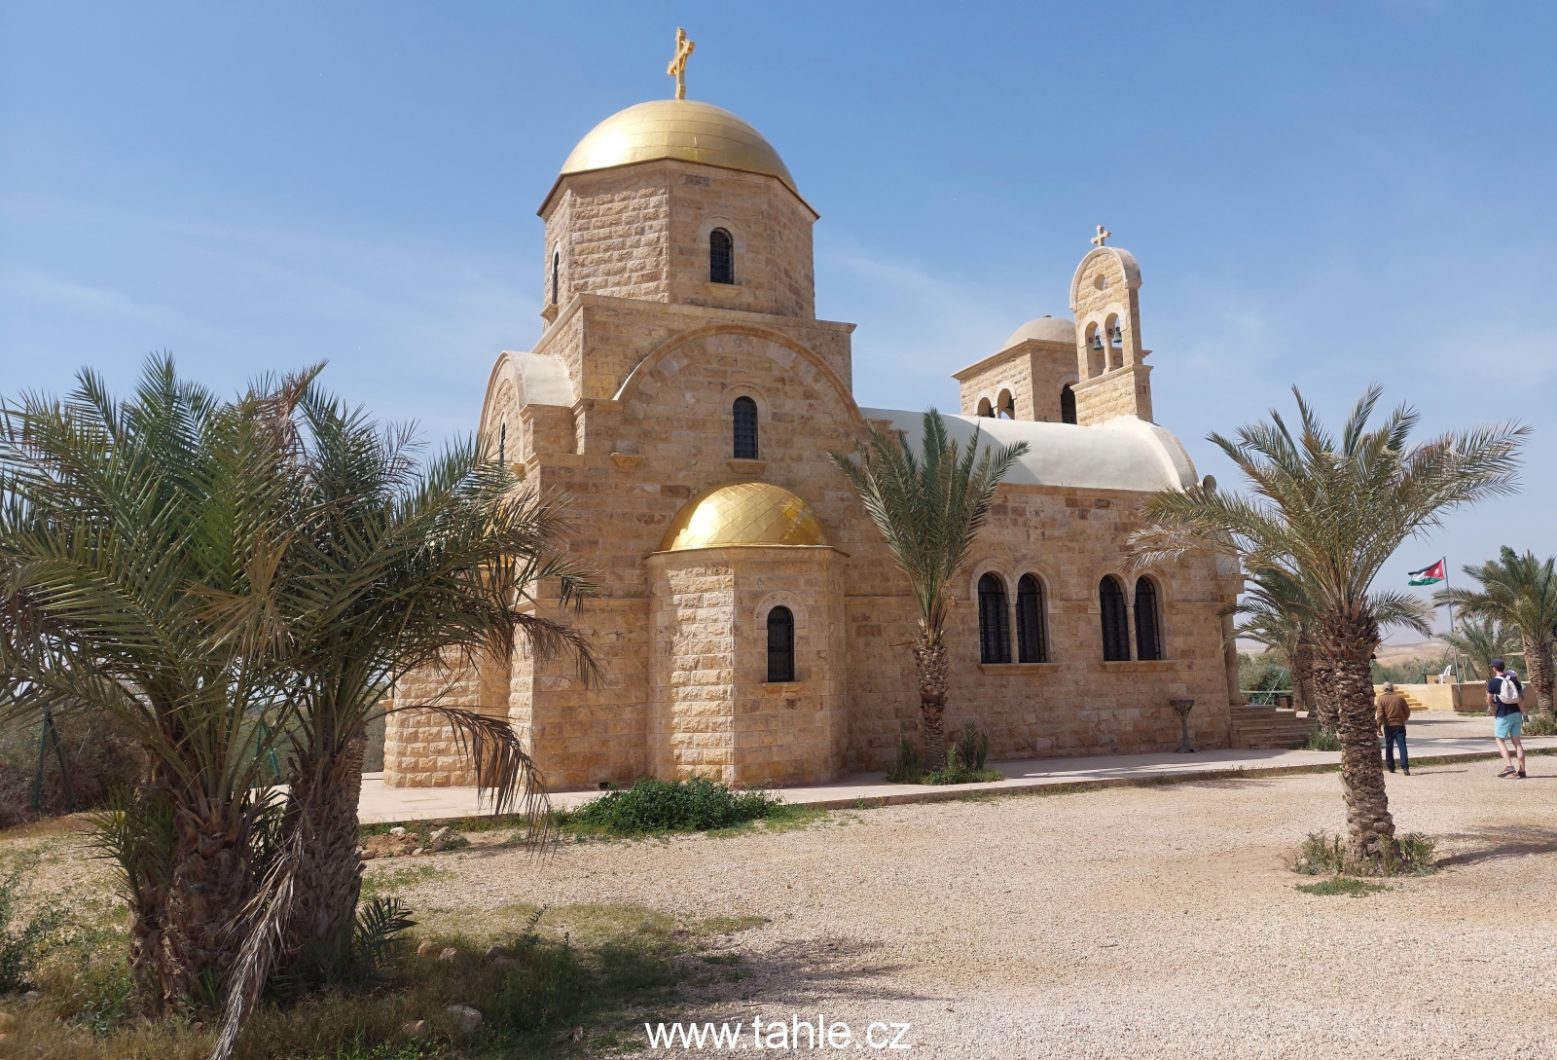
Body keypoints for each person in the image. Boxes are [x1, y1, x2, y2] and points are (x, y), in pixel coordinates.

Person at [1487, 658, 1527, 779]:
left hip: (1503, 714)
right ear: (1504, 667)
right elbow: (1521, 697)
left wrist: (1493, 704)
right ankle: (1522, 770)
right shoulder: (1513, 679)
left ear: (1494, 668)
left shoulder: (1493, 682)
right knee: (1517, 743)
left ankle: (1509, 766)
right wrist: (1523, 712)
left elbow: (1489, 700)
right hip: (1516, 714)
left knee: (1499, 740)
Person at [1375, 681, 1412, 775]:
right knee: (1402, 746)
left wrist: (1378, 727)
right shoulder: (1400, 698)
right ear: (1393, 688)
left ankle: (1391, 767)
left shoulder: (1381, 699)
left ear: (1384, 689)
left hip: (1388, 726)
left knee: (1389, 746)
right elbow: (1407, 712)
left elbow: (1380, 715)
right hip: (1400, 725)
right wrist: (1403, 719)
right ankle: (1405, 768)